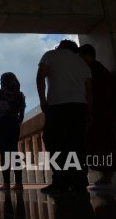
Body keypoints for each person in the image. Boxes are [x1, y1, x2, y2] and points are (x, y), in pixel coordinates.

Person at [36, 39, 92, 194]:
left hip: (58, 106)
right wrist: (89, 112)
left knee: (54, 143)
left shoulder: (50, 55)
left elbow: (40, 77)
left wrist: (43, 101)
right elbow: (89, 90)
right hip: (80, 107)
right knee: (77, 144)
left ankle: (61, 180)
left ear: (60, 46)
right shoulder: (82, 63)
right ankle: (80, 181)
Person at [78, 44, 116, 187]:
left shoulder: (94, 71)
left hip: (100, 115)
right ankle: (106, 177)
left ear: (86, 55)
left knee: (103, 146)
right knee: (101, 146)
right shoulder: (100, 70)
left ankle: (107, 177)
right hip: (102, 114)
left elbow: (96, 94)